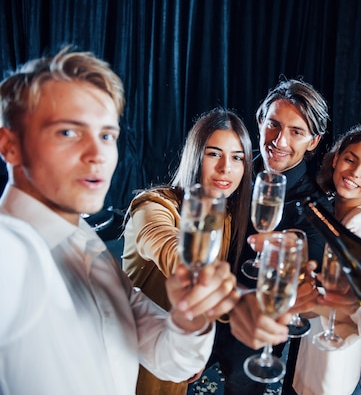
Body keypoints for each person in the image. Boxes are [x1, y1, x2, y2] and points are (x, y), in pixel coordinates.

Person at [0, 47, 239, 394]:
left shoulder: (84, 242)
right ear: (10, 145)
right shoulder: (11, 248)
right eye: (68, 132)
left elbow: (165, 354)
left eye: (107, 135)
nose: (97, 154)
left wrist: (190, 317)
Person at [212, 78, 334, 394]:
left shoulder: (316, 208)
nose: (279, 140)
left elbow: (308, 269)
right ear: (260, 121)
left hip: (253, 336)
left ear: (313, 141)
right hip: (206, 310)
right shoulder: (232, 170)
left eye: (296, 132)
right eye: (274, 125)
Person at [122, 108, 253, 395]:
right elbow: (170, 249)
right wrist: (241, 303)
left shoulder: (225, 216)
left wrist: (198, 344)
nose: (225, 168)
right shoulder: (153, 205)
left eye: (237, 157)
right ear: (195, 155)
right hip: (135, 350)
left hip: (179, 348)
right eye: (214, 154)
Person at [292, 124, 361, 394]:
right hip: (311, 343)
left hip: (331, 357)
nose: (355, 173)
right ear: (337, 158)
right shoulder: (327, 209)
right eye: (350, 160)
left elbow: (346, 302)